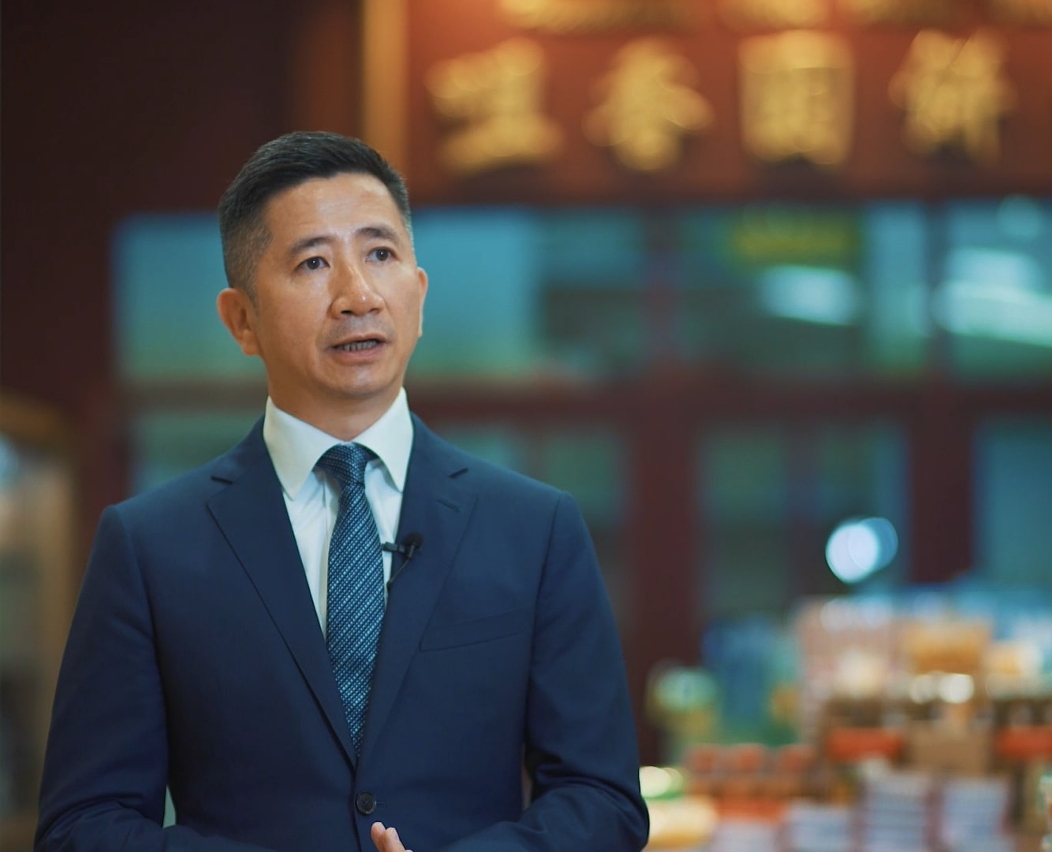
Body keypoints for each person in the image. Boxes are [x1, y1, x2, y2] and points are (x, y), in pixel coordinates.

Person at [36, 131, 649, 852]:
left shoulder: (535, 528)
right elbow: (83, 824)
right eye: (314, 263)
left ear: (418, 294)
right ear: (241, 320)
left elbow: (602, 801)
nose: (357, 295)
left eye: (380, 254)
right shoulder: (150, 546)